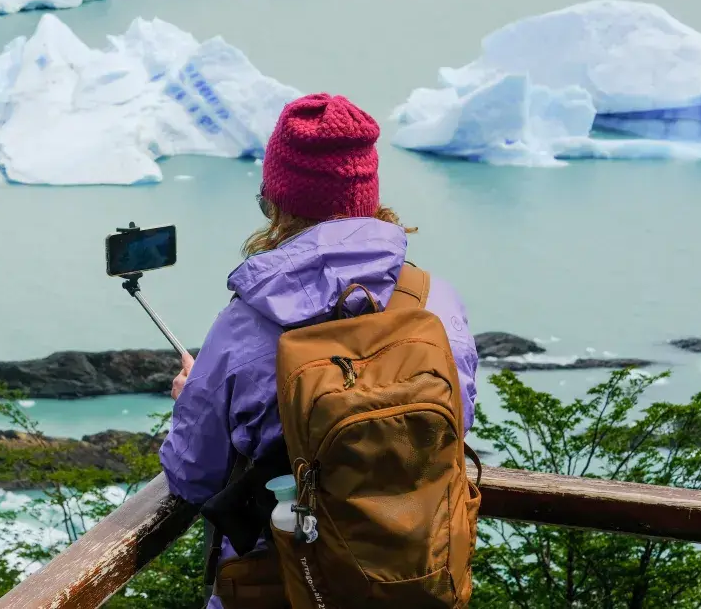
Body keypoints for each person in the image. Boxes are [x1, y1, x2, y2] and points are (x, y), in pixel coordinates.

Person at [158, 92, 479, 607]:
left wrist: (190, 399)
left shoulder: (246, 323)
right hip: (418, 581)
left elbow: (194, 476)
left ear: (278, 203)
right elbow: (452, 425)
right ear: (368, 196)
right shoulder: (434, 302)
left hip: (289, 584)